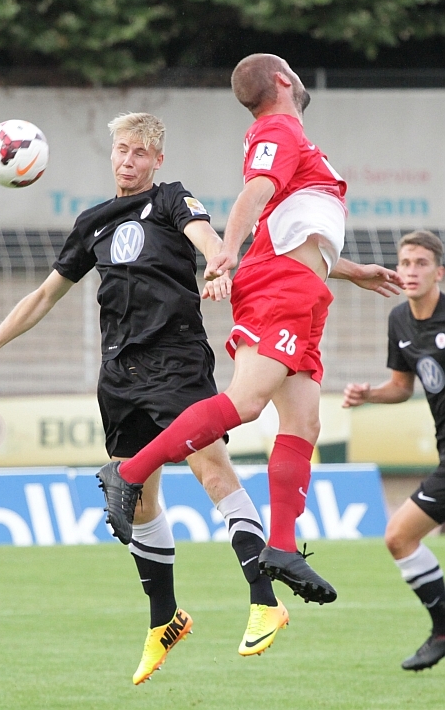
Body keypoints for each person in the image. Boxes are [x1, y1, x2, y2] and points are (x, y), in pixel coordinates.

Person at [0, 112, 289, 685]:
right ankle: (166, 619)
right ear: (111, 154)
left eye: (140, 152)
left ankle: (265, 600)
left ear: (157, 159)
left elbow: (205, 236)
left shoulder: (170, 199)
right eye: (121, 150)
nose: (128, 161)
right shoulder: (93, 222)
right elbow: (45, 294)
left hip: (176, 360)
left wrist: (219, 262)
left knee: (213, 473)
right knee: (136, 501)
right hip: (119, 373)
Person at [96, 54, 404, 607]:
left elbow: (293, 228)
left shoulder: (291, 139)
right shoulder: (279, 128)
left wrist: (352, 270)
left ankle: (281, 546)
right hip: (280, 286)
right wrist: (227, 252)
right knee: (246, 402)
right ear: (284, 80)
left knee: (304, 421)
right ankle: (131, 472)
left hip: (304, 287)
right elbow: (254, 194)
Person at [343, 230, 445, 671]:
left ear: (439, 273)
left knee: (400, 535)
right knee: (399, 537)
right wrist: (369, 395)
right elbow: (402, 387)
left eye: (421, 263)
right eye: (405, 263)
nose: (411, 271)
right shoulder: (400, 320)